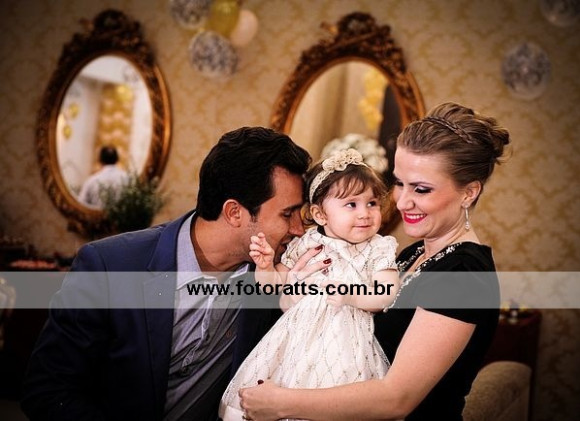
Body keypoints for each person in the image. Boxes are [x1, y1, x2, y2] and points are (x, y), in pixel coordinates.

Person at [20, 127, 326, 421]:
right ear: (234, 212)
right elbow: (47, 390)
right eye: (287, 214)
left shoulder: (277, 278)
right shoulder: (110, 266)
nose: (299, 230)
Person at [238, 102, 510, 421]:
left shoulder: (463, 273)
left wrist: (282, 403)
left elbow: (396, 399)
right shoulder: (413, 254)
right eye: (399, 183)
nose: (402, 201)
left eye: (421, 189)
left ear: (469, 192)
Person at [220, 148, 400, 421]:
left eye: (372, 203)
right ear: (320, 214)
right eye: (351, 205)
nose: (365, 213)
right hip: (296, 342)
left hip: (347, 345)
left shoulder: (378, 248)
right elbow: (273, 286)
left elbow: (385, 293)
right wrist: (266, 266)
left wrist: (351, 296)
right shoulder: (306, 243)